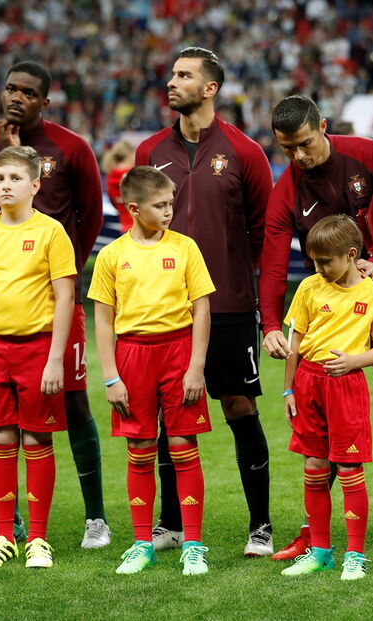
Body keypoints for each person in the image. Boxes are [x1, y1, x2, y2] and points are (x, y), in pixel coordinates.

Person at [260, 95, 373, 564]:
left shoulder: (368, 154)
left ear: (323, 126)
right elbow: (274, 260)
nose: (297, 157)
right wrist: (271, 323)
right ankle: (311, 532)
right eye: (286, 149)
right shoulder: (288, 188)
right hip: (327, 317)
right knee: (325, 423)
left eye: (303, 144)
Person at [0, 61, 109, 549]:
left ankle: (95, 516)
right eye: (10, 89)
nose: (16, 97)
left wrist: (65, 267)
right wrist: (5, 155)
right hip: (3, 307)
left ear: (44, 102)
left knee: (74, 401)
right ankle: (9, 524)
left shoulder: (71, 147)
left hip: (55, 303)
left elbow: (88, 213)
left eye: (28, 92)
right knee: (2, 419)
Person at [135, 47, 274, 556]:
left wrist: (243, 284)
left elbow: (263, 231)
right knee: (170, 415)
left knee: (240, 407)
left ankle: (260, 525)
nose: (172, 82)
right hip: (165, 309)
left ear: (210, 87)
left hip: (231, 306)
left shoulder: (245, 152)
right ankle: (169, 523)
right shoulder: (150, 150)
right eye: (171, 73)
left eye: (184, 75)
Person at [89, 166, 215, 576]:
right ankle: (142, 543)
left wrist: (196, 368)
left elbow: (201, 309)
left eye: (171, 204)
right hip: (133, 356)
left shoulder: (185, 248)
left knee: (182, 446)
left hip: (178, 352)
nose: (169, 212)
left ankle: (192, 544)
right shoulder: (112, 255)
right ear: (133, 209)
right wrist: (111, 377)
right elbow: (103, 320)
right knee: (140, 450)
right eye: (160, 206)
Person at [0, 146, 76, 569]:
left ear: (35, 185)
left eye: (15, 178)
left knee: (37, 438)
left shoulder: (51, 232)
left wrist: (56, 358)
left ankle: (38, 539)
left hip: (37, 348)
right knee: (1, 437)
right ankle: (4, 535)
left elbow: (65, 297)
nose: (5, 185)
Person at [278, 215, 373, 581]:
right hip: (308, 382)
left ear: (350, 255)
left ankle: (355, 555)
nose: (319, 268)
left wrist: (354, 361)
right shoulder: (309, 289)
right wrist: (288, 389)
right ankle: (320, 551)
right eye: (314, 262)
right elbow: (294, 345)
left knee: (348, 469)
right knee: (314, 467)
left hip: (347, 385)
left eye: (325, 261)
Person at [102, 140, 136, 232]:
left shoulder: (110, 176)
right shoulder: (136, 175)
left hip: (125, 228)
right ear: (128, 155)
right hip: (141, 229)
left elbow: (114, 203)